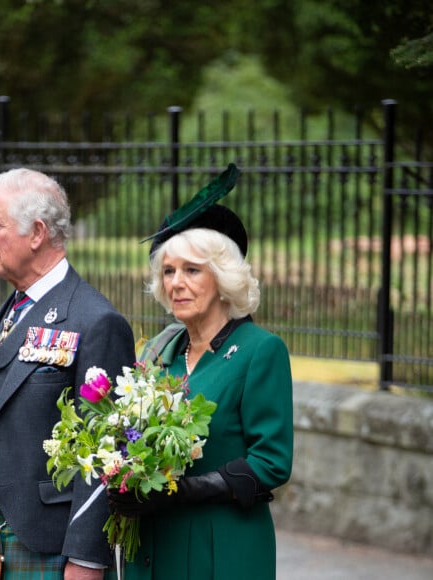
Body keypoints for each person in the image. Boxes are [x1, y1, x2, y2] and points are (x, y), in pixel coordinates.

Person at [0, 168, 135, 579]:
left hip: (50, 543)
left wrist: (86, 559)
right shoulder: (16, 306)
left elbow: (103, 452)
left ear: (37, 232)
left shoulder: (95, 320)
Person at [108, 164, 293, 579]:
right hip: (153, 548)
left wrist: (181, 490)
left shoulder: (260, 352)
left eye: (192, 270)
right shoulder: (160, 351)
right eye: (168, 271)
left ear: (223, 278)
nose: (176, 282)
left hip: (220, 549)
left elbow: (271, 462)